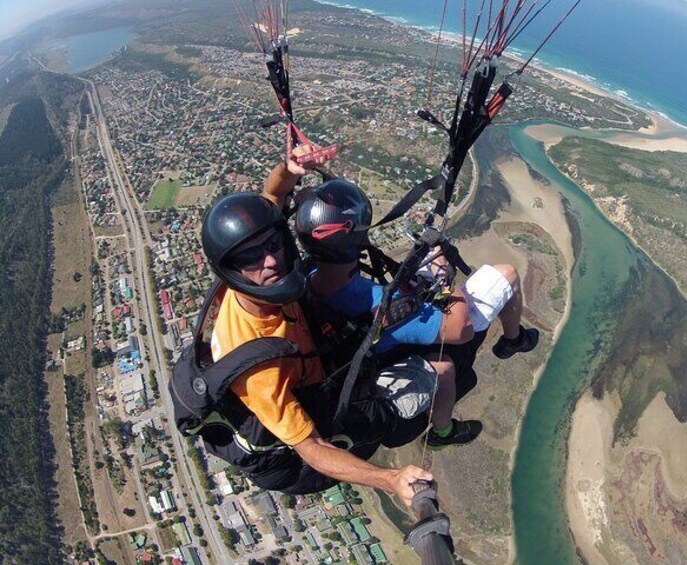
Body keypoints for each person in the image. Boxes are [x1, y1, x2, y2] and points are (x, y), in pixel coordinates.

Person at [196, 153, 433, 507]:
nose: (271, 260)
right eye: (252, 257)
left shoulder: (258, 283)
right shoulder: (256, 366)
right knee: (427, 377)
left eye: (272, 245)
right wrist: (390, 478)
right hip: (296, 454)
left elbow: (272, 198)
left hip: (311, 366)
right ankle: (423, 427)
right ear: (231, 269)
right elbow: (313, 448)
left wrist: (289, 169)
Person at [294, 179, 540, 447]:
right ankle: (512, 341)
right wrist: (445, 276)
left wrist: (307, 199)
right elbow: (461, 328)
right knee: (506, 275)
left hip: (355, 343)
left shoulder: (304, 275)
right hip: (400, 346)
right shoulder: (378, 304)